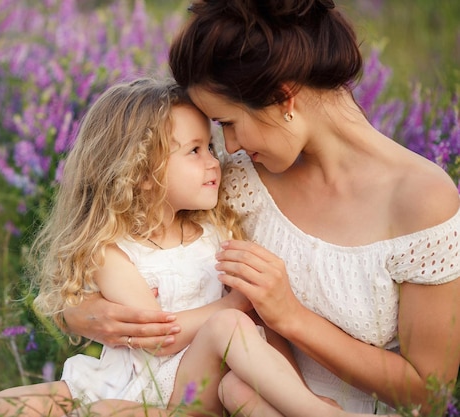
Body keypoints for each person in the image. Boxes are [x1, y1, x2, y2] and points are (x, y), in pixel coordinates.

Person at [62, 0, 460, 415]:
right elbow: (113, 237)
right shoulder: (235, 179)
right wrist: (82, 314)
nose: (227, 148)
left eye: (228, 123)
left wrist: (291, 317)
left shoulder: (422, 199)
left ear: (282, 97)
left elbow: (428, 395)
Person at [0, 78, 393, 417]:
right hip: (145, 387)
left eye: (209, 148)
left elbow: (263, 333)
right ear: (139, 170)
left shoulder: (216, 231)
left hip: (201, 389)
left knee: (241, 379)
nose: (216, 162)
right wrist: (235, 305)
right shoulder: (111, 251)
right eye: (194, 151)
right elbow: (159, 337)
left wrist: (246, 315)